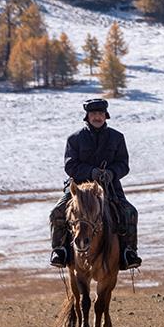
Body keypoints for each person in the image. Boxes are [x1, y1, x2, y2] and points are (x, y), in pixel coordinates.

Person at [49, 98, 142, 270]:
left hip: (110, 188)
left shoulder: (117, 137)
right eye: (93, 114)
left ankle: (129, 252)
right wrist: (91, 172)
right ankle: (60, 250)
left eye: (100, 114)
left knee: (130, 213)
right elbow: (70, 165)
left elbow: (124, 164)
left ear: (105, 116)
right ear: (87, 116)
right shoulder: (74, 139)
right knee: (56, 213)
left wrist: (112, 173)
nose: (97, 117)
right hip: (79, 190)